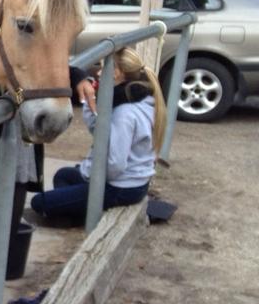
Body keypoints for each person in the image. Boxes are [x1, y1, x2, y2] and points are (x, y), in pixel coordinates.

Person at [30, 49, 165, 222]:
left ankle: (78, 215)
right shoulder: (138, 99)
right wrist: (89, 101)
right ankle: (74, 211)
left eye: (103, 69)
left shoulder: (124, 113)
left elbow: (115, 166)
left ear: (117, 73)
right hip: (134, 183)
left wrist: (88, 173)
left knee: (39, 202)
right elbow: (100, 133)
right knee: (63, 175)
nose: (99, 73)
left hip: (120, 188)